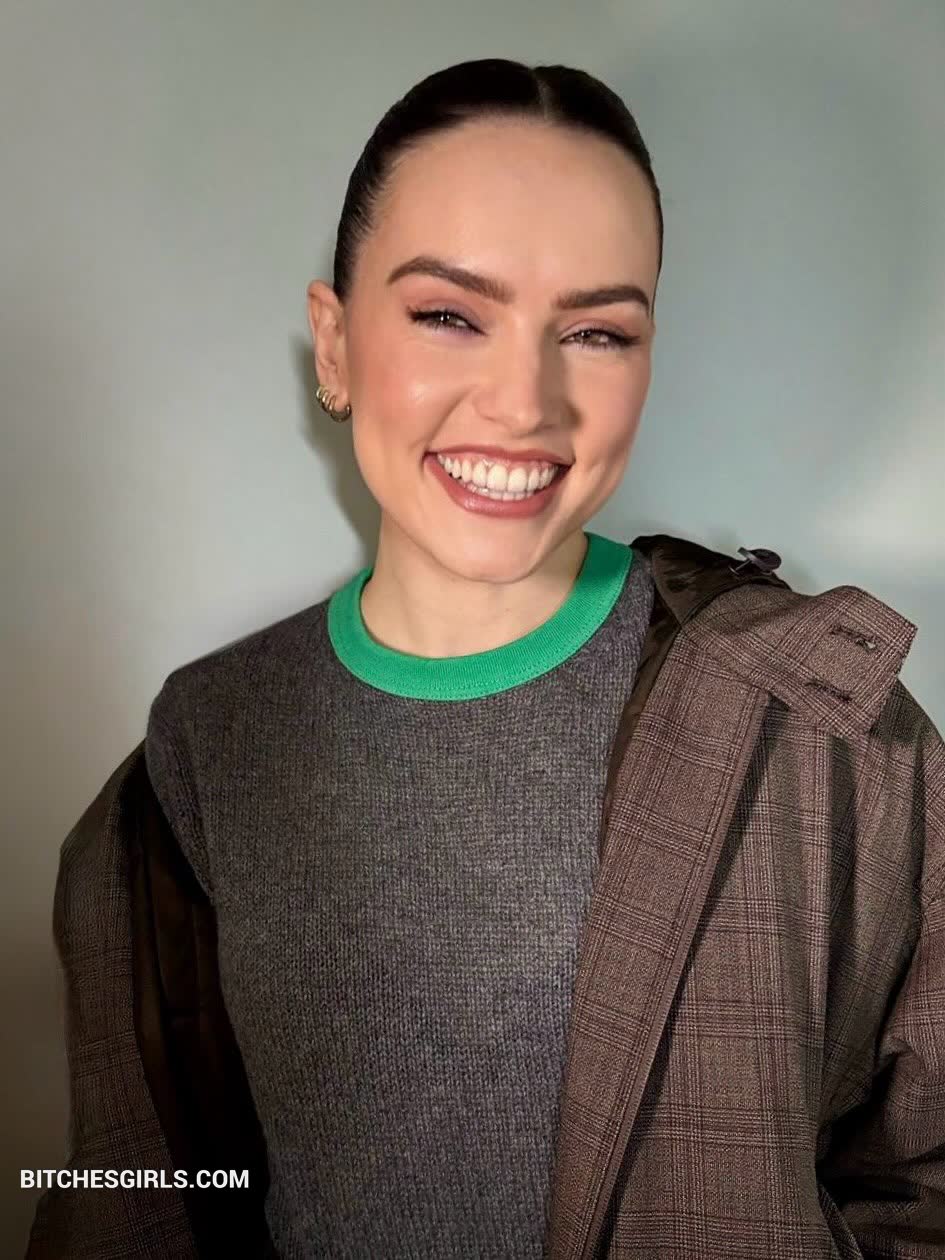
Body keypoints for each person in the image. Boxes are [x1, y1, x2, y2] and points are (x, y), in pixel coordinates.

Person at [29, 57, 945, 1260]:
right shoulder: (203, 748)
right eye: (450, 315)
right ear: (334, 344)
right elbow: (131, 1194)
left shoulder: (822, 728)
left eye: (597, 332)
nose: (524, 403)